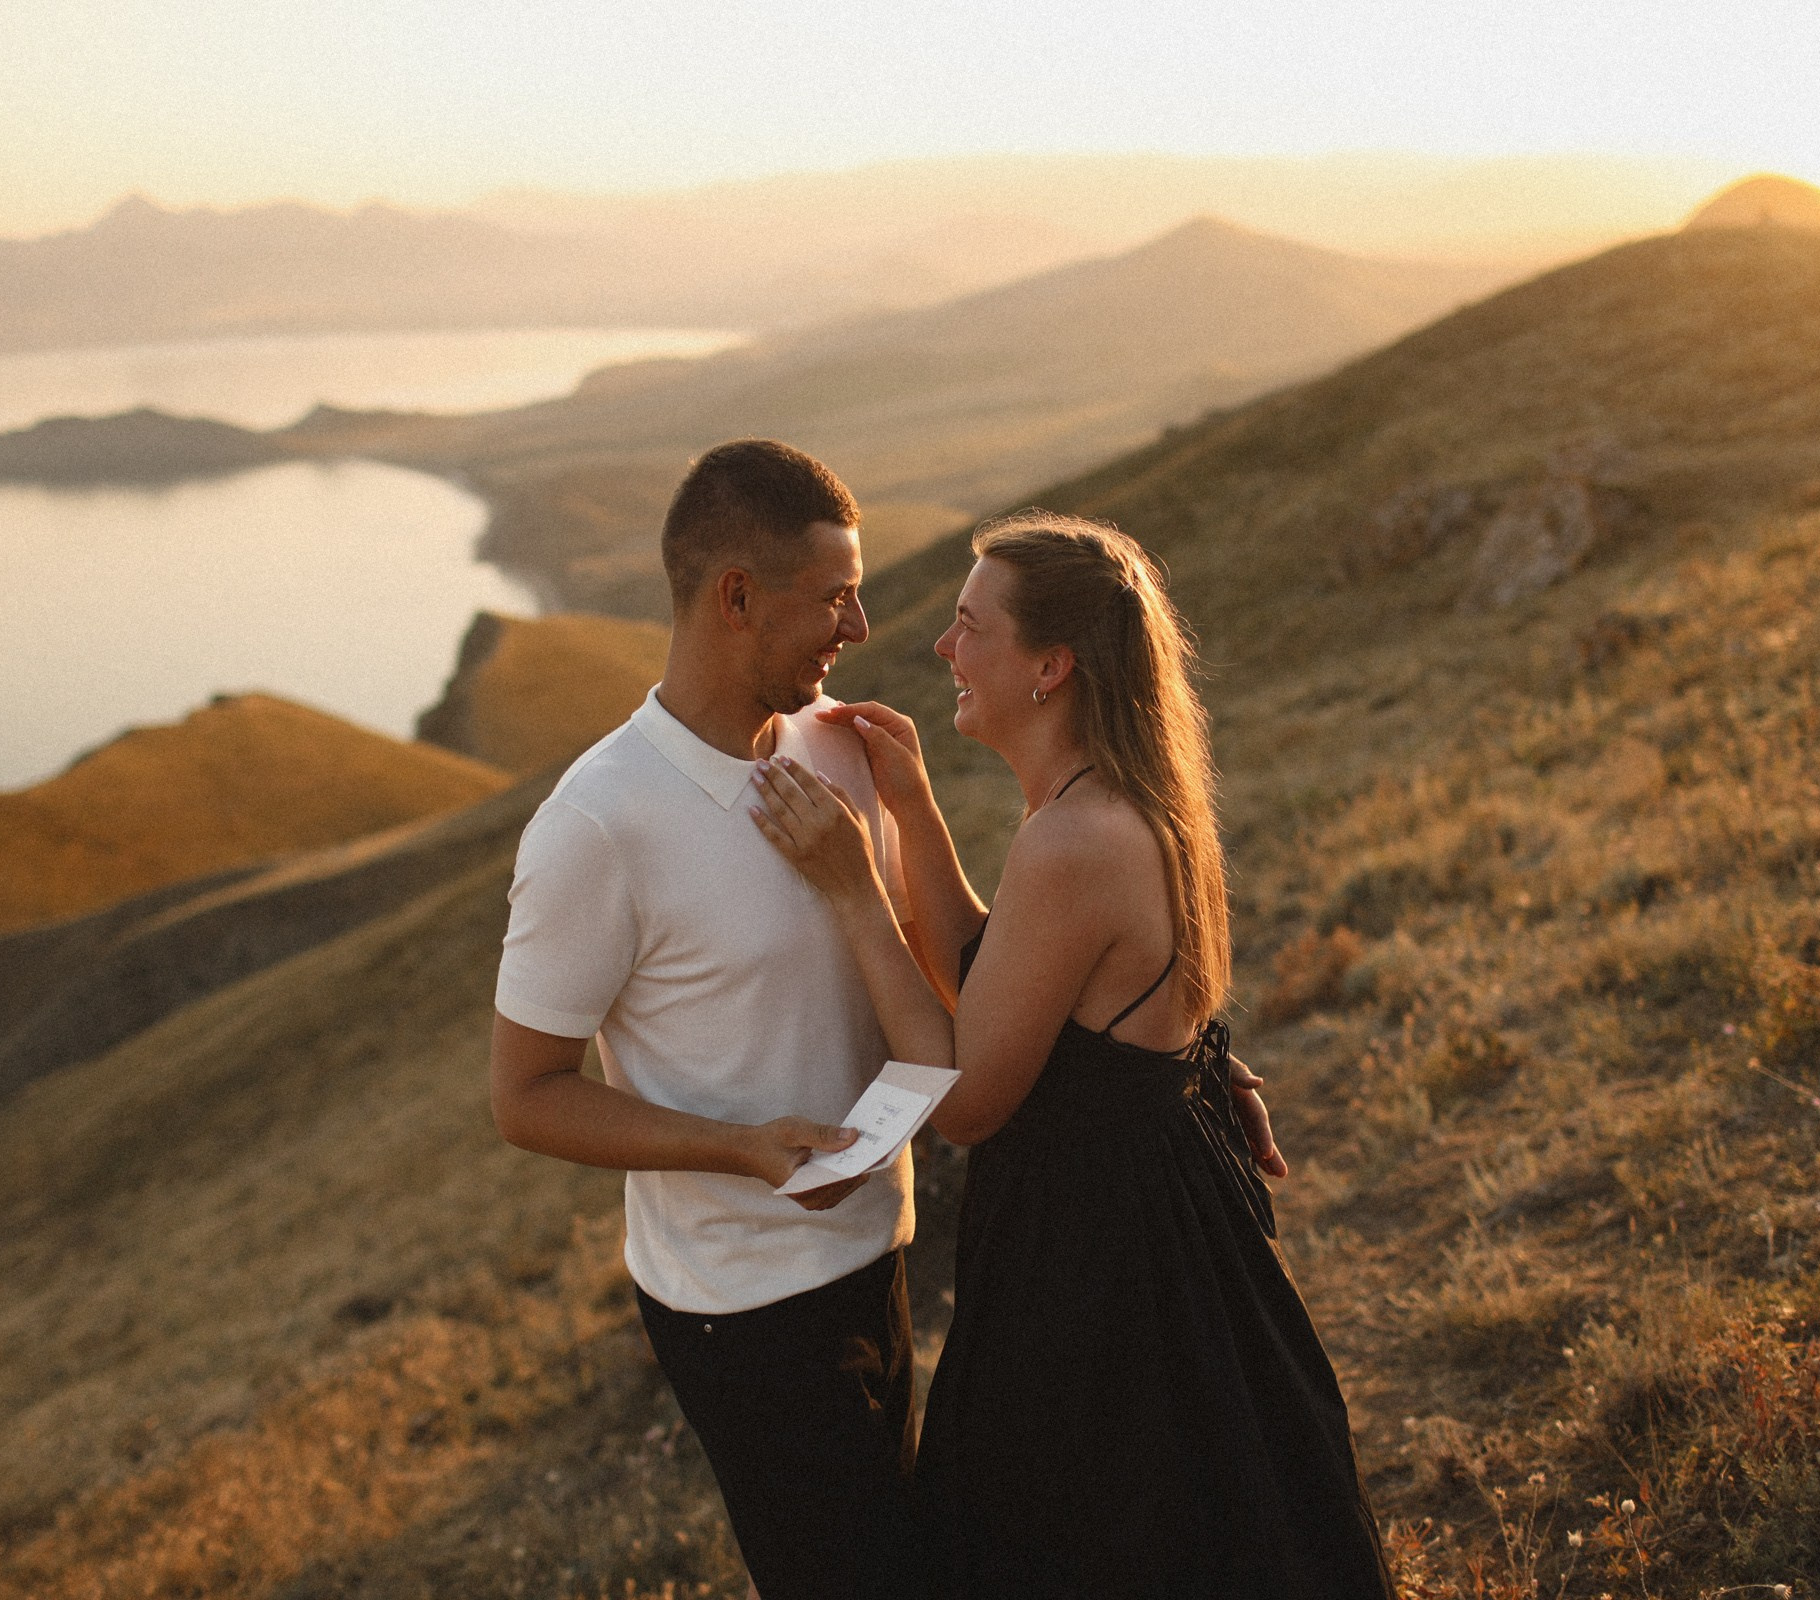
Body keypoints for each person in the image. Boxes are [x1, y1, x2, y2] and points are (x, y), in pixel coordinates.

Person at [747, 510, 1398, 1598]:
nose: (945, 649)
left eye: (969, 628)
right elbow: (1002, 976)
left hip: (1103, 1268)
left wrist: (853, 885)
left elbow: (969, 1103)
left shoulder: (1075, 840)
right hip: (1144, 1223)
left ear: (1050, 666)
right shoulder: (1104, 801)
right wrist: (911, 808)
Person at [488, 439, 930, 1600]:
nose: (862, 624)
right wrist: (736, 1148)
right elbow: (525, 1095)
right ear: (737, 596)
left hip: (879, 1246)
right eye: (835, 595)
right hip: (740, 1305)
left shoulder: (844, 747)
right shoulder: (596, 825)